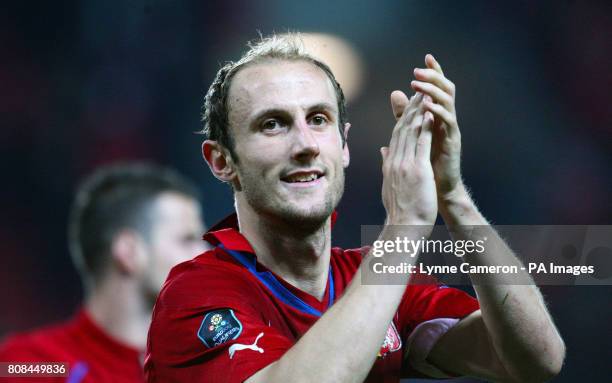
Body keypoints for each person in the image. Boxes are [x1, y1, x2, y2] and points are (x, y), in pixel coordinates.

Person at [145, 34, 565, 382]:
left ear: (344, 146)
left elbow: (537, 359)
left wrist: (452, 196)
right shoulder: (195, 294)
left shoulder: (381, 281)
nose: (305, 145)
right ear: (222, 161)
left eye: (319, 119)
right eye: (272, 124)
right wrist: (402, 231)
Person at [0, 162, 207, 382]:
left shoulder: (210, 367)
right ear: (128, 252)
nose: (205, 254)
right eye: (187, 240)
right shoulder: (32, 364)